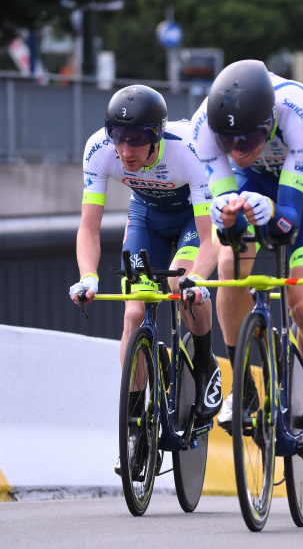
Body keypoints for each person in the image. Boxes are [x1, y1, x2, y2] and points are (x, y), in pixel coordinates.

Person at [190, 59, 303, 480]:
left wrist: (273, 211)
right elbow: (229, 225)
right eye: (229, 142)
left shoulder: (300, 110)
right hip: (253, 181)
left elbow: (287, 220)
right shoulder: (202, 129)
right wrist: (230, 219)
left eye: (252, 137)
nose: (239, 148)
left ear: (270, 118)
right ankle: (245, 385)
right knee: (229, 265)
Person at [69, 84, 220, 474]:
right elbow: (88, 228)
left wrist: (197, 280)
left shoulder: (189, 150)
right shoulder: (98, 150)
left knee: (180, 286)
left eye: (136, 140)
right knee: (134, 316)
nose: (125, 150)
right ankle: (136, 429)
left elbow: (209, 238)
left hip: (191, 218)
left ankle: (205, 367)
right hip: (146, 217)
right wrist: (88, 276)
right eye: (118, 138)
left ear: (157, 136)